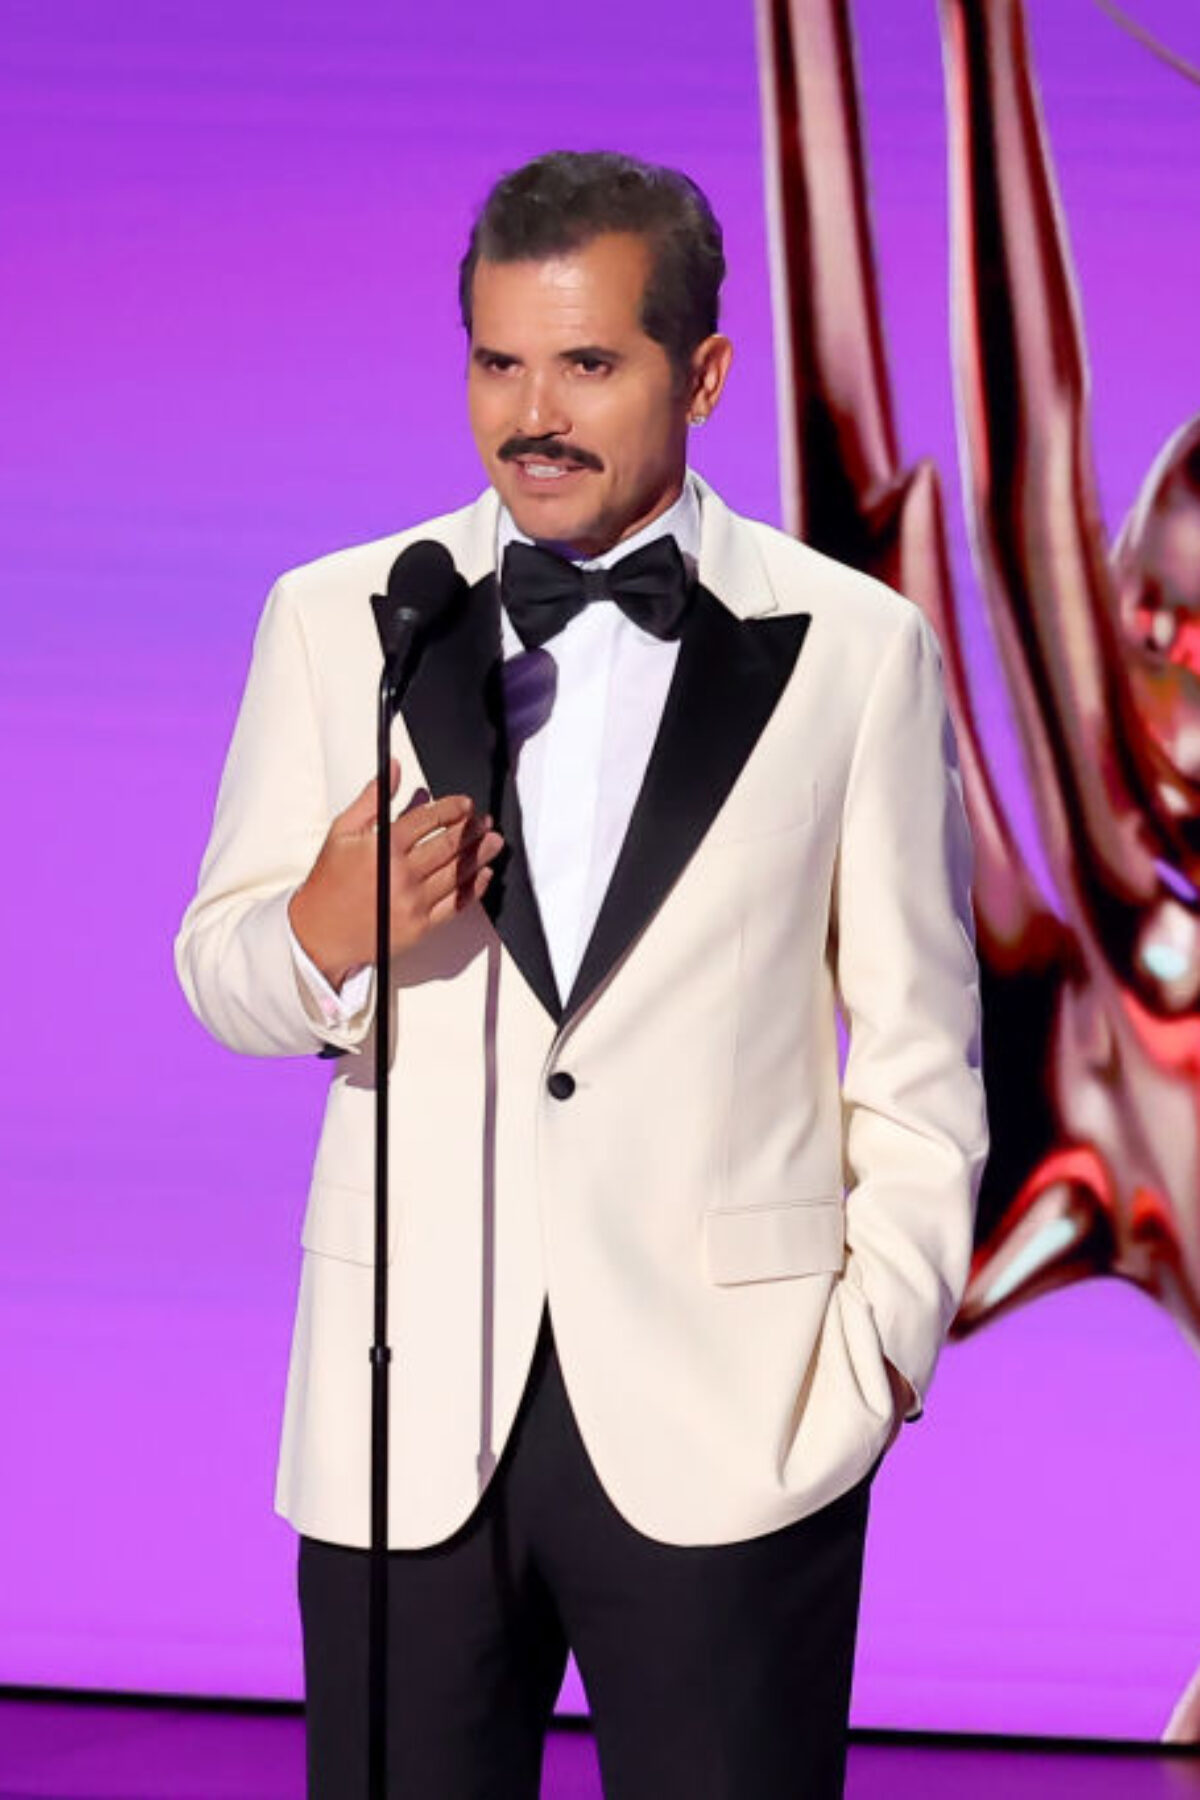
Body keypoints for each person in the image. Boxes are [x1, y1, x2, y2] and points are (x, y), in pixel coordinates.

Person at [176, 150, 987, 1799]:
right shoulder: (346, 618)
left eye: (588, 364)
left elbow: (920, 1051)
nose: (530, 413)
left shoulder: (856, 648)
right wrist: (329, 933)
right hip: (403, 1413)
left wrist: (877, 1356)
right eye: (497, 361)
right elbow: (223, 971)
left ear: (702, 374)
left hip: (738, 1416)